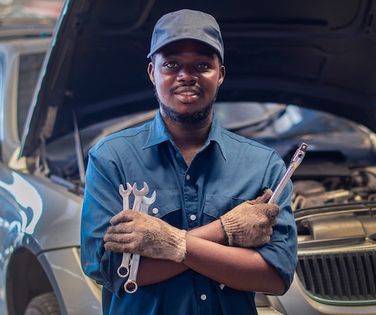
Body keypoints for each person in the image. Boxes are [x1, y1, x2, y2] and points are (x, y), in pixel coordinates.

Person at [80, 9, 297, 315]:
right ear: (152, 72)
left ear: (220, 74)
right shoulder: (111, 158)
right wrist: (224, 231)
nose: (186, 75)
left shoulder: (264, 165)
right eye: (171, 64)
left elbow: (275, 276)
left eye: (201, 65)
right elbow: (113, 270)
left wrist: (166, 244)